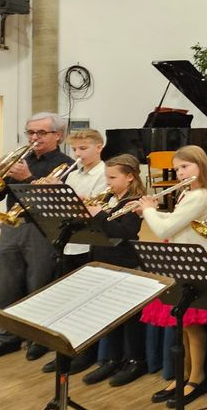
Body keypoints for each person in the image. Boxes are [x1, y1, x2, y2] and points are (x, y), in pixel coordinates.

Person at [0, 112, 74, 365]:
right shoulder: (21, 159)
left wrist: (26, 178)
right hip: (12, 226)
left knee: (39, 283)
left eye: (41, 133)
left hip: (41, 228)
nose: (34, 137)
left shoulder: (67, 164)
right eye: (30, 132)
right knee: (7, 284)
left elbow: (55, 204)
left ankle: (38, 338)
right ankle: (6, 338)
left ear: (57, 136)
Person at [137, 145, 207, 406]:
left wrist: (150, 210)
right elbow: (174, 221)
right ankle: (183, 376)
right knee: (180, 325)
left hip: (191, 262)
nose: (180, 172)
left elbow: (166, 227)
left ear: (200, 166)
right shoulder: (188, 192)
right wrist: (149, 211)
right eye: (177, 168)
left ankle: (197, 378)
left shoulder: (201, 195)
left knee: (192, 327)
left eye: (185, 167)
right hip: (178, 260)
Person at [39, 129, 109, 374]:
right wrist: (53, 192)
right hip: (69, 242)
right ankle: (67, 349)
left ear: (99, 147)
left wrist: (69, 197)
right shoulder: (73, 173)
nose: (78, 154)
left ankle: (86, 352)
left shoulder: (104, 173)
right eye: (75, 150)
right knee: (68, 300)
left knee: (86, 303)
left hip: (88, 243)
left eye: (83, 149)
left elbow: (98, 205)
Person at [79, 154, 150, 388]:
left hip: (125, 262)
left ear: (130, 177)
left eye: (112, 177)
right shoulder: (109, 197)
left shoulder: (135, 202)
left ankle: (135, 360)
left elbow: (125, 232)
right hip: (102, 259)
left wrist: (97, 214)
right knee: (107, 314)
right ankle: (111, 359)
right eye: (106, 177)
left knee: (129, 318)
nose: (107, 182)